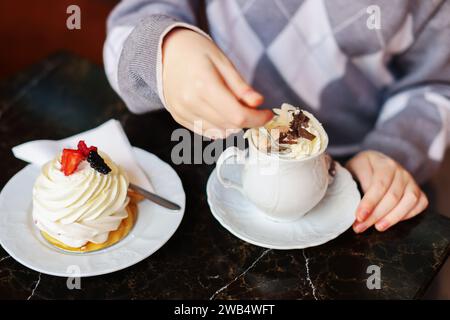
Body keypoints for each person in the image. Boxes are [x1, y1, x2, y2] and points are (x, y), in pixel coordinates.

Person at [103, 0, 450, 233]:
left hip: (362, 172)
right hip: (210, 151)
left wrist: (395, 148)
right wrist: (165, 48)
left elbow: (436, 85)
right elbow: (130, 25)